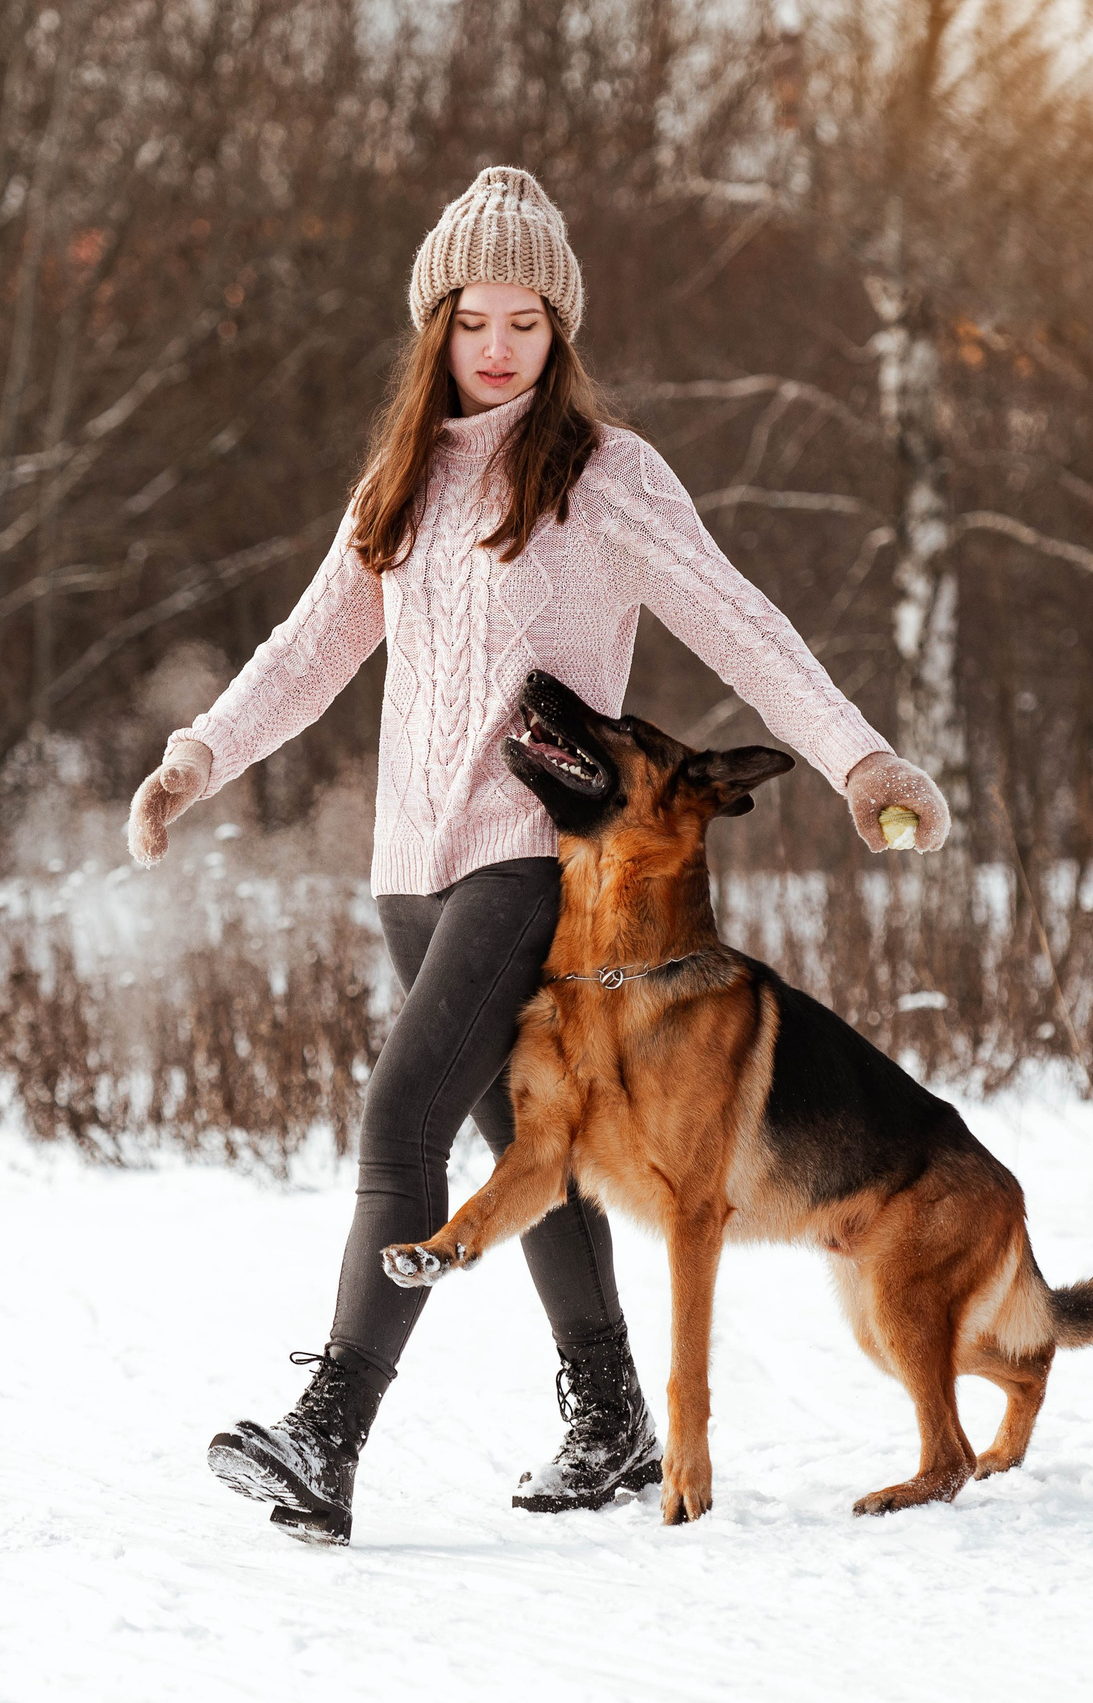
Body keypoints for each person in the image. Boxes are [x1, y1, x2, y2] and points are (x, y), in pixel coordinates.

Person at [126, 166, 950, 1545]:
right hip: (411, 864)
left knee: (403, 1124)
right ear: (434, 329)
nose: (497, 346)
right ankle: (611, 1415)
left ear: (559, 330)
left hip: (535, 856)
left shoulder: (608, 476)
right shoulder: (399, 482)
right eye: (471, 320)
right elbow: (311, 648)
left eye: (524, 320)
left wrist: (862, 758)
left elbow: (743, 626)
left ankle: (327, 1437)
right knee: (524, 1133)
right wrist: (198, 755)